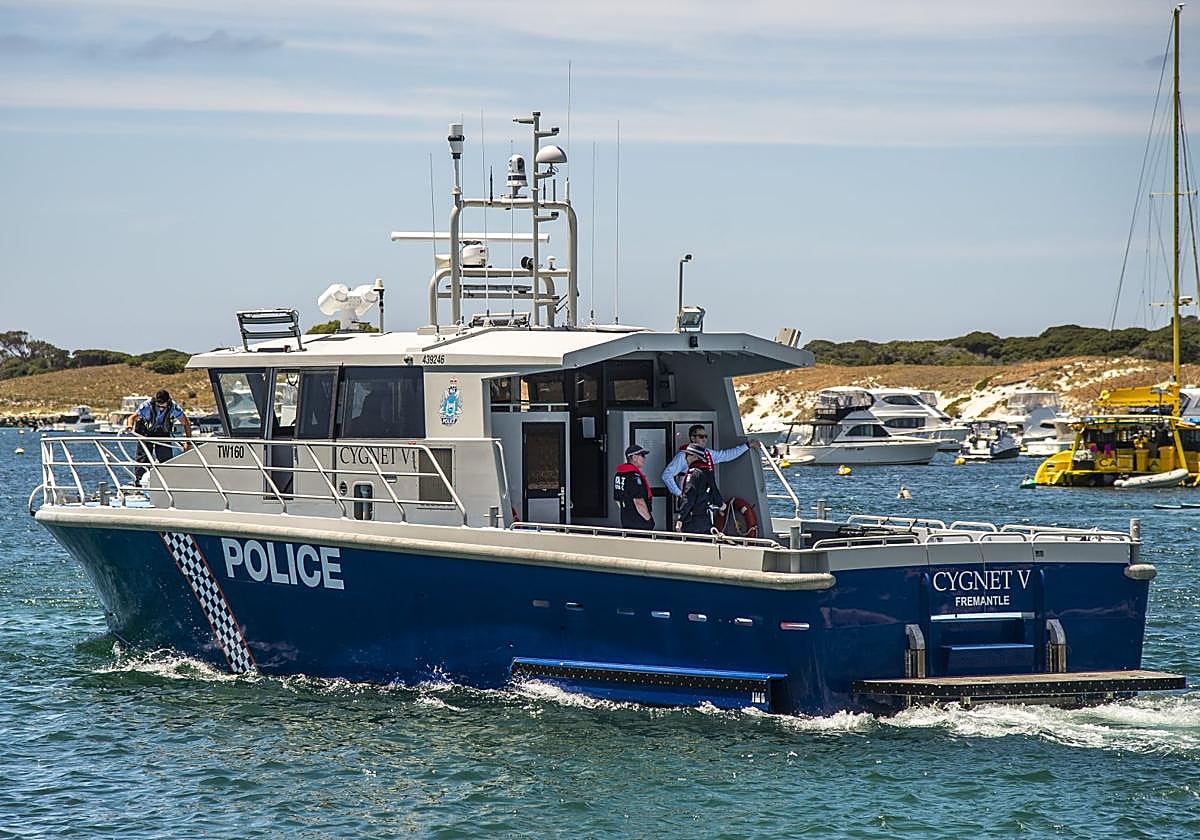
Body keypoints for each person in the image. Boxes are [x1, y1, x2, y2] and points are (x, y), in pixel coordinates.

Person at [661, 424, 760, 498]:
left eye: (705, 436)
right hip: (689, 500)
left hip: (702, 498)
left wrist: (747, 446)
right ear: (692, 438)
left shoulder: (708, 453)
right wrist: (679, 494)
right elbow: (666, 475)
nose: (704, 439)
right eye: (701, 436)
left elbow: (727, 455)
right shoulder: (683, 456)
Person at [125, 389, 192, 481]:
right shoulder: (146, 405)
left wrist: (188, 442)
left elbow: (185, 423)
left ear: (168, 402)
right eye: (158, 406)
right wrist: (129, 426)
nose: (161, 409)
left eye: (163, 407)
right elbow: (132, 417)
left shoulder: (173, 407)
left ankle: (167, 481)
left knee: (166, 459)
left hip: (162, 433)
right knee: (143, 459)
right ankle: (139, 483)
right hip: (146, 433)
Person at [675, 444, 725, 534]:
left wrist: (680, 518)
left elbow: (688, 498)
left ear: (695, 456)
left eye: (687, 455)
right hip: (706, 520)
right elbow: (715, 491)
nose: (685, 458)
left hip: (693, 521)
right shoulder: (707, 471)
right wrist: (721, 504)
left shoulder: (693, 474)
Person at [613, 444, 655, 531]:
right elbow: (639, 502)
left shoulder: (619, 474)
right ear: (634, 457)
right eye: (642, 456)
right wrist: (649, 520)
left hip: (625, 517)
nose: (644, 459)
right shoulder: (634, 476)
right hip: (639, 520)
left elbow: (618, 499)